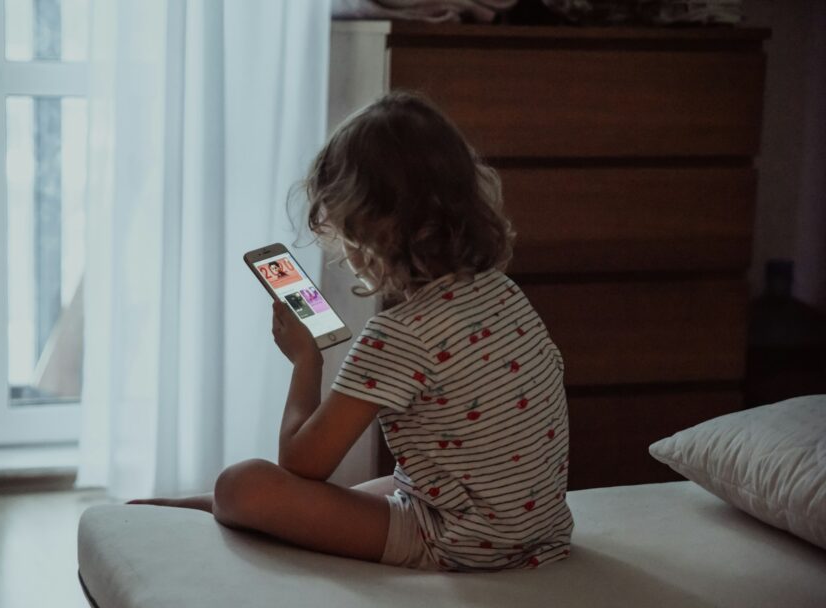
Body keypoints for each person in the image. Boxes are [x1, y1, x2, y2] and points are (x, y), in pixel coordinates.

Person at [128, 91, 573, 572]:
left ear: (373, 231)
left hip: (462, 540)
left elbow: (302, 463)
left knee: (242, 483)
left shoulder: (400, 334)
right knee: (370, 489)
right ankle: (229, 509)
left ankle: (228, 506)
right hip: (534, 526)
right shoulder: (500, 290)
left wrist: (306, 361)